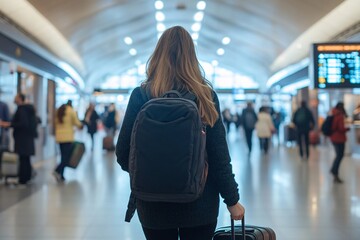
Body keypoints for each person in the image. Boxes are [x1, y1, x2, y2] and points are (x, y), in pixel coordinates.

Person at [116, 26, 244, 240]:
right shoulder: (205, 96)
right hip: (200, 205)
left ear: (158, 55)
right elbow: (218, 155)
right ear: (192, 57)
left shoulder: (141, 95)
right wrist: (232, 200)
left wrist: (154, 175)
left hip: (152, 205)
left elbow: (122, 153)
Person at [0, 93, 38, 185]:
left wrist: (9, 124)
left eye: (16, 97)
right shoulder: (28, 109)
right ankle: (27, 177)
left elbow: (22, 123)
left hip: (22, 139)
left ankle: (23, 179)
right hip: (27, 138)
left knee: (23, 158)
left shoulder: (22, 109)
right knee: (26, 158)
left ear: (20, 99)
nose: (14, 99)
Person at [53, 103, 83, 182]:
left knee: (63, 156)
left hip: (59, 137)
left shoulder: (59, 111)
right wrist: (81, 125)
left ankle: (61, 175)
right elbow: (76, 122)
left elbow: (55, 123)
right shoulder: (70, 111)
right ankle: (57, 170)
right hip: (68, 137)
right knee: (66, 157)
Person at [330, 102, 349, 183]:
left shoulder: (333, 113)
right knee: (339, 156)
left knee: (338, 155)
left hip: (334, 138)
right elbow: (341, 128)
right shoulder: (339, 116)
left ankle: (334, 171)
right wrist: (347, 129)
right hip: (339, 139)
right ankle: (334, 171)